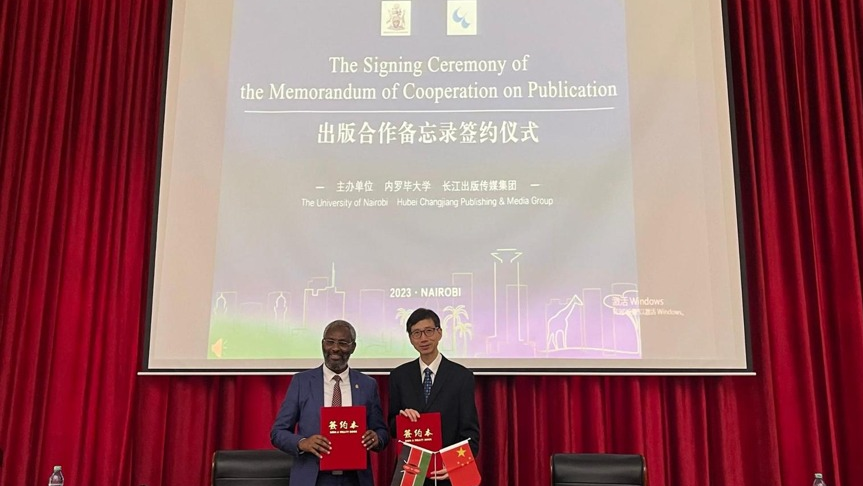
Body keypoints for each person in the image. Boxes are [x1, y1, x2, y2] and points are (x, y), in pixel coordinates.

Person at [271, 320, 389, 486]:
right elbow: (278, 432)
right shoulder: (302, 382)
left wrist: (377, 438)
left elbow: (381, 431)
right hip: (313, 478)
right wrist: (303, 443)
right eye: (330, 342)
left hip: (355, 479)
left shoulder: (367, 385)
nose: (335, 348)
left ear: (353, 347)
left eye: (343, 343)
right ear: (322, 344)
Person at [388, 308, 480, 485]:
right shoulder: (399, 376)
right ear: (410, 338)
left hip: (447, 473)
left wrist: (455, 465)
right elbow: (392, 427)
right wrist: (402, 419)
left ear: (439, 333)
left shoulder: (461, 377)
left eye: (429, 331)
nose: (423, 338)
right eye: (416, 333)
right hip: (411, 473)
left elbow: (470, 433)